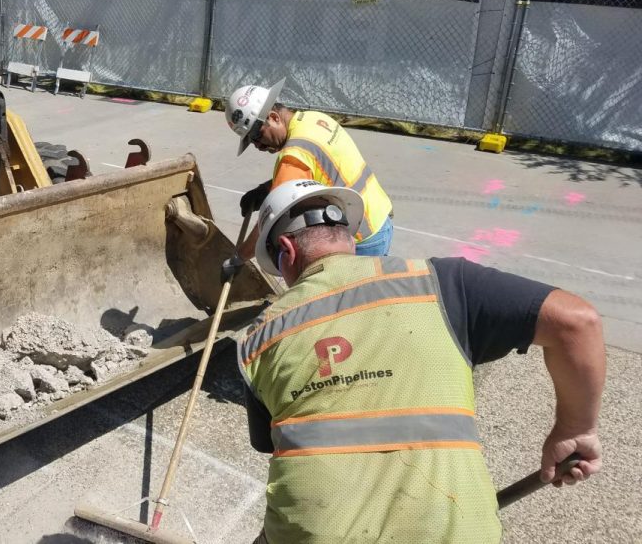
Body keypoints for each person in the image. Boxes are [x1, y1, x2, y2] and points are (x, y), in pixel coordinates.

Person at [236, 179, 605, 544]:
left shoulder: (258, 339)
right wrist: (574, 429)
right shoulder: (442, 282)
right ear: (348, 235)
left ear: (287, 250)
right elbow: (577, 322)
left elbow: (277, 445)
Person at [226, 78, 393, 258]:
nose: (259, 146)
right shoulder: (314, 118)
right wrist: (265, 190)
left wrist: (239, 257)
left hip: (361, 238)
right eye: (251, 141)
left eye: (257, 136)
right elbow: (315, 170)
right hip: (380, 217)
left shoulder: (294, 155)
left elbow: (271, 224)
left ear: (274, 117)